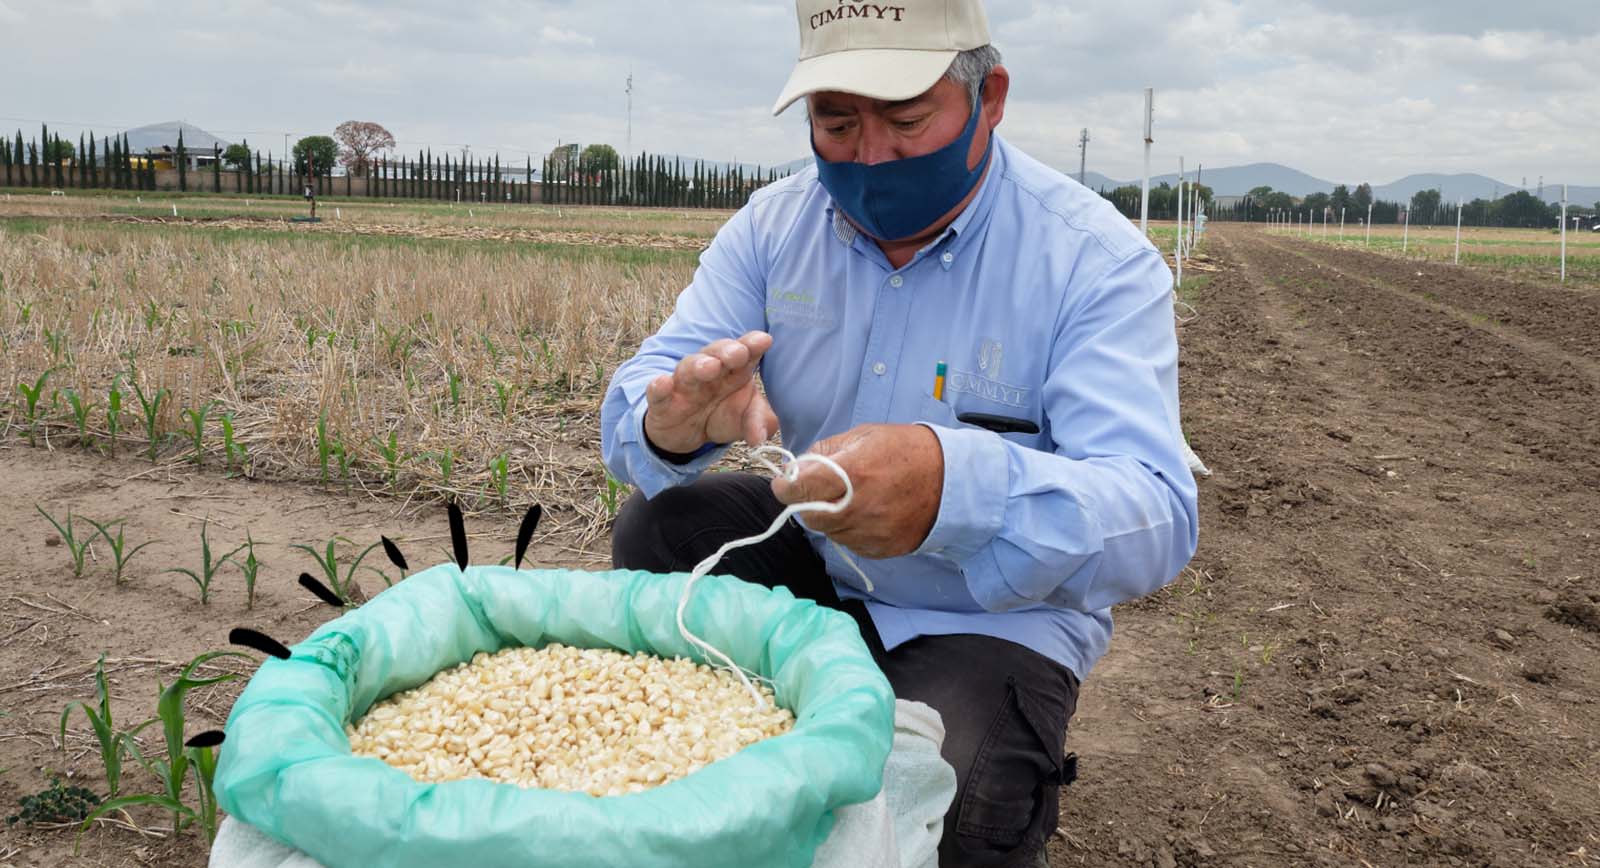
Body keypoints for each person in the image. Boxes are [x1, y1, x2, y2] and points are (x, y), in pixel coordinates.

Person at [601, 0, 1199, 864]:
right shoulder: (775, 228)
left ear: (989, 98)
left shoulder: (1091, 261)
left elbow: (1156, 511)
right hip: (821, 563)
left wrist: (955, 490)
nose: (870, 155)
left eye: (907, 119)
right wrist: (669, 421)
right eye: (836, 122)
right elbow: (638, 405)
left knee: (928, 801)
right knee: (663, 527)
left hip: (991, 616)